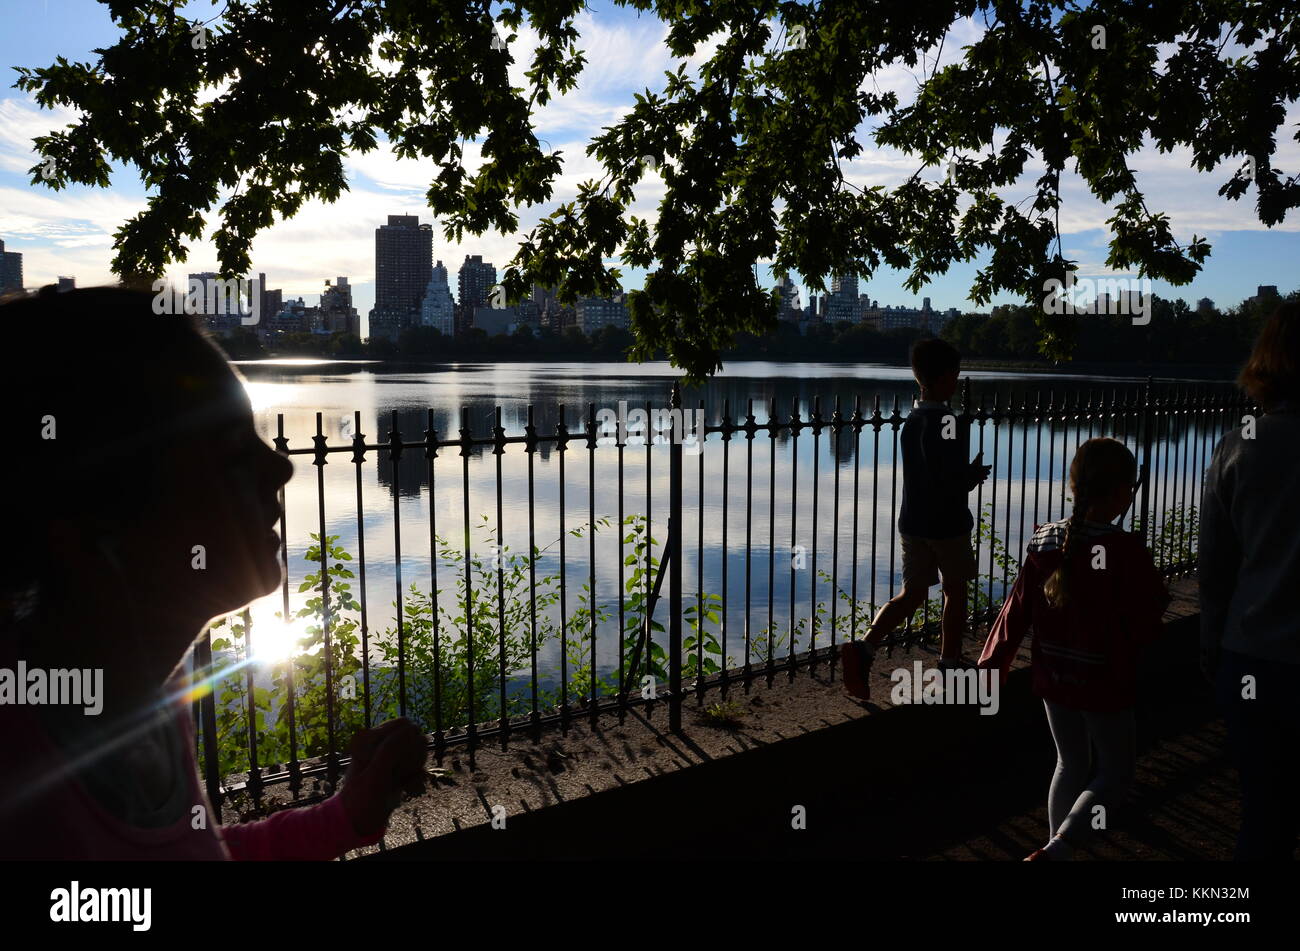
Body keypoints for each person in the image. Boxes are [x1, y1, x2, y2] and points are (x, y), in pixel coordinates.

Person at [0, 286, 426, 859]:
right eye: (229, 453)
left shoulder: (150, 688)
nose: (280, 466)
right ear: (88, 528)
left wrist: (346, 816)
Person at [978, 437, 1168, 860]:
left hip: (1053, 677)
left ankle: (1051, 849)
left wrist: (995, 662)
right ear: (1122, 493)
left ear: (1074, 486)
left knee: (1069, 763)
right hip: (1104, 679)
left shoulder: (1044, 540)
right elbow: (1144, 620)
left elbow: (1016, 609)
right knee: (1116, 773)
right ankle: (1059, 850)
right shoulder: (1125, 550)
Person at [1200, 301, 1300, 861]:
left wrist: (1211, 646)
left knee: (1263, 816)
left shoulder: (1242, 443)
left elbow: (1213, 567)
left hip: (1254, 658)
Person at [840, 338, 990, 700]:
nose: (957, 381)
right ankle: (950, 662)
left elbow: (928, 471)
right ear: (941, 379)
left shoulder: (912, 420)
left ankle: (864, 648)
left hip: (913, 522)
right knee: (955, 591)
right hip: (947, 524)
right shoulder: (949, 422)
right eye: (955, 374)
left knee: (913, 593)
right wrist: (972, 475)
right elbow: (950, 481)